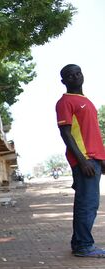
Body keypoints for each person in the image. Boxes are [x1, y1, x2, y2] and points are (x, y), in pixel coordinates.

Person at [56, 64, 105, 258]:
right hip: (84, 161)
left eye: (78, 73)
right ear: (63, 81)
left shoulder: (87, 101)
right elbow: (66, 134)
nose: (75, 77)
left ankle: (79, 243)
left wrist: (101, 159)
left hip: (94, 159)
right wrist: (82, 160)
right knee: (87, 203)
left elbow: (92, 134)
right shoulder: (65, 102)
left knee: (87, 203)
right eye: (70, 75)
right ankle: (84, 246)